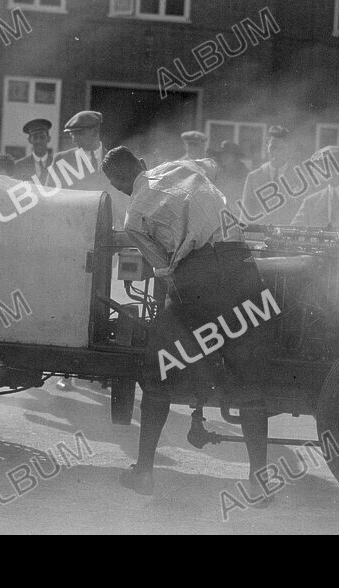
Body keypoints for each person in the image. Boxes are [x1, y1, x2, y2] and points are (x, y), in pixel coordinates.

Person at [102, 147, 274, 498]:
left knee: (156, 373)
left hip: (198, 277)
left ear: (118, 184)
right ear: (143, 163)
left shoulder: (133, 216)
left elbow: (164, 268)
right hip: (241, 266)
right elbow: (213, 165)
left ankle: (145, 473)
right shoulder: (181, 166)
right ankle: (259, 481)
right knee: (250, 382)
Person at [242, 126, 299, 225]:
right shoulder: (253, 177)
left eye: (281, 148)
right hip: (259, 235)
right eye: (272, 147)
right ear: (266, 148)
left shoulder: (298, 177)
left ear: (289, 150)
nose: (276, 152)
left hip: (287, 235)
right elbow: (245, 214)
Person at [12, 119, 54, 184]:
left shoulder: (55, 163)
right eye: (35, 137)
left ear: (48, 139)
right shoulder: (19, 165)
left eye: (42, 137)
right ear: (29, 140)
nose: (38, 141)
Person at [211, 140, 249, 206]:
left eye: (227, 154)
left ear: (235, 156)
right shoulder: (219, 172)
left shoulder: (244, 173)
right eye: (222, 154)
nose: (224, 157)